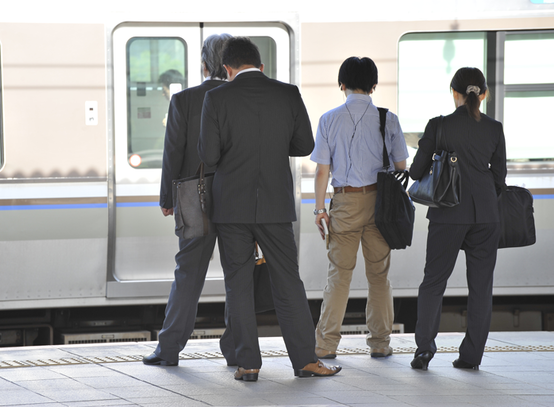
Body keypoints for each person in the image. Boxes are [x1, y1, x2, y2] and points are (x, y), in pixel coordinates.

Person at [198, 36, 341, 381]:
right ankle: (306, 360)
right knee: (288, 281)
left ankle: (248, 363)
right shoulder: (287, 93)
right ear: (261, 66)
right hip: (276, 205)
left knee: (239, 283)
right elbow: (304, 144)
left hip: (231, 207)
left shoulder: (215, 98)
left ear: (227, 69)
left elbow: (208, 156)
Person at [143, 34, 235, 367]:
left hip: (195, 198)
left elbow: (173, 152)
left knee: (188, 274)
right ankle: (237, 349)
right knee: (238, 275)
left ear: (204, 64)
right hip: (237, 198)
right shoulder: (242, 97)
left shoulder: (183, 100)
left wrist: (167, 197)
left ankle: (168, 350)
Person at [409, 67, 507, 370]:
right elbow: (500, 178)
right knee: (481, 287)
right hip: (486, 217)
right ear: (484, 94)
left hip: (448, 213)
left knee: (434, 282)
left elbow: (415, 173)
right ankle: (471, 356)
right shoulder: (494, 128)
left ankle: (424, 350)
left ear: (455, 93)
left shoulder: (439, 126)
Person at [311, 57, 408, 361]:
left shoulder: (329, 118)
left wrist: (318, 210)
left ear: (342, 84)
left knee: (339, 276)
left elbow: (321, 172)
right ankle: (379, 343)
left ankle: (326, 346)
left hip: (345, 203)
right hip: (380, 203)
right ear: (374, 85)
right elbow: (402, 166)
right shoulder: (388, 119)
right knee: (378, 275)